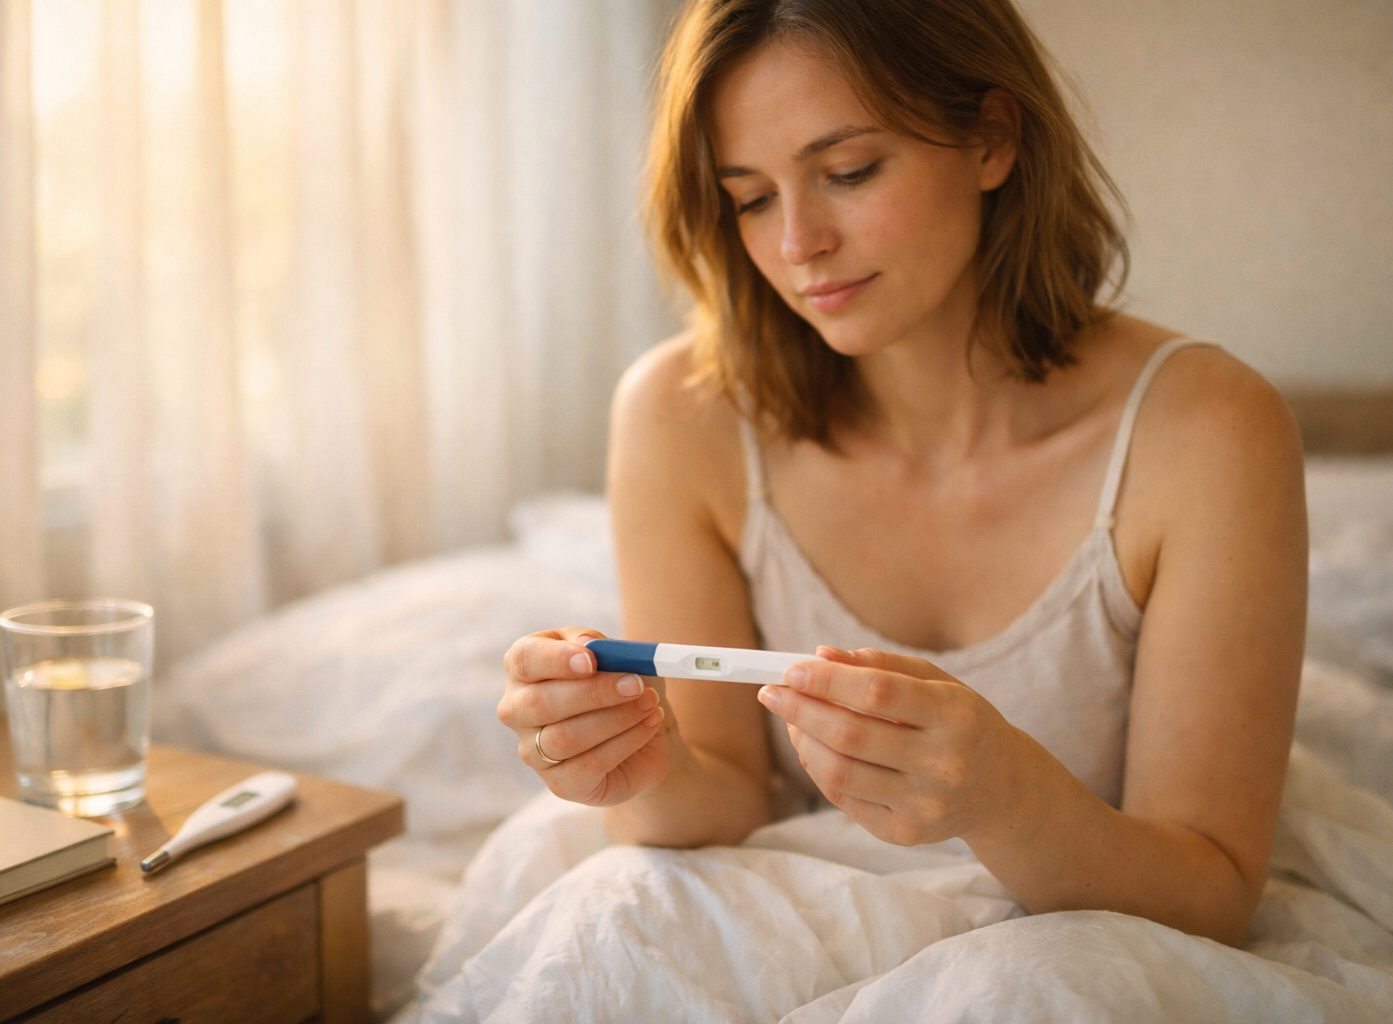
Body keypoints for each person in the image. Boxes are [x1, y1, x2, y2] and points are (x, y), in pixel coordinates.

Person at [465, 0, 1306, 1013]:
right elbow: (722, 791)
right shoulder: (682, 414)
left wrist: (1003, 793)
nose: (799, 243)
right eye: (750, 198)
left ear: (992, 138)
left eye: (850, 171)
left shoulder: (1208, 430)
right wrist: (636, 766)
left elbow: (1213, 895)